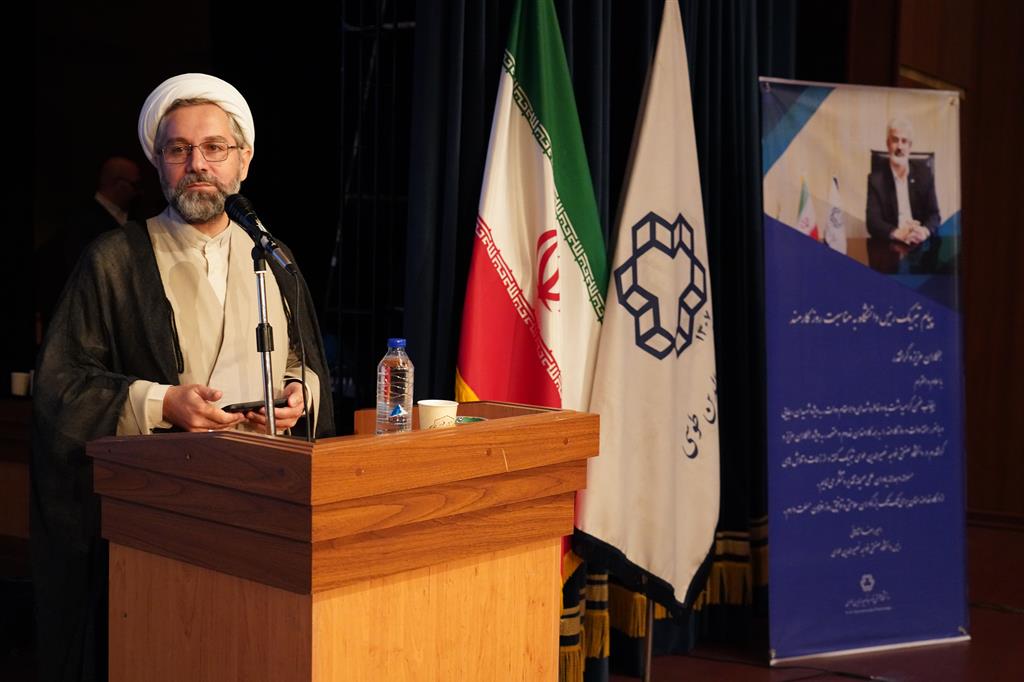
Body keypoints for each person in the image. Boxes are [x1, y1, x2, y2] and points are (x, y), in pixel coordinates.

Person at [30, 73, 335, 682]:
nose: (198, 164)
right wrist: (163, 403)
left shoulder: (273, 257)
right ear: (159, 163)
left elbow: (303, 361)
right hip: (158, 519)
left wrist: (298, 393)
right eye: (179, 149)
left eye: (214, 148)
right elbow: (60, 386)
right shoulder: (114, 260)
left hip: (262, 506)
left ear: (243, 161)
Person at [35, 157, 142, 331]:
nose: (139, 193)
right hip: (84, 322)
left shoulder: (132, 220)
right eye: (135, 185)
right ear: (118, 184)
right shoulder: (80, 222)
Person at [865, 116, 941, 245]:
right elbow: (872, 222)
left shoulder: (924, 174)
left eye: (904, 141)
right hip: (891, 244)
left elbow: (934, 215)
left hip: (919, 243)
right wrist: (897, 233)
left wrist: (924, 231)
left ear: (910, 146)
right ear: (888, 144)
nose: (899, 146)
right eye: (895, 140)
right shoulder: (876, 180)